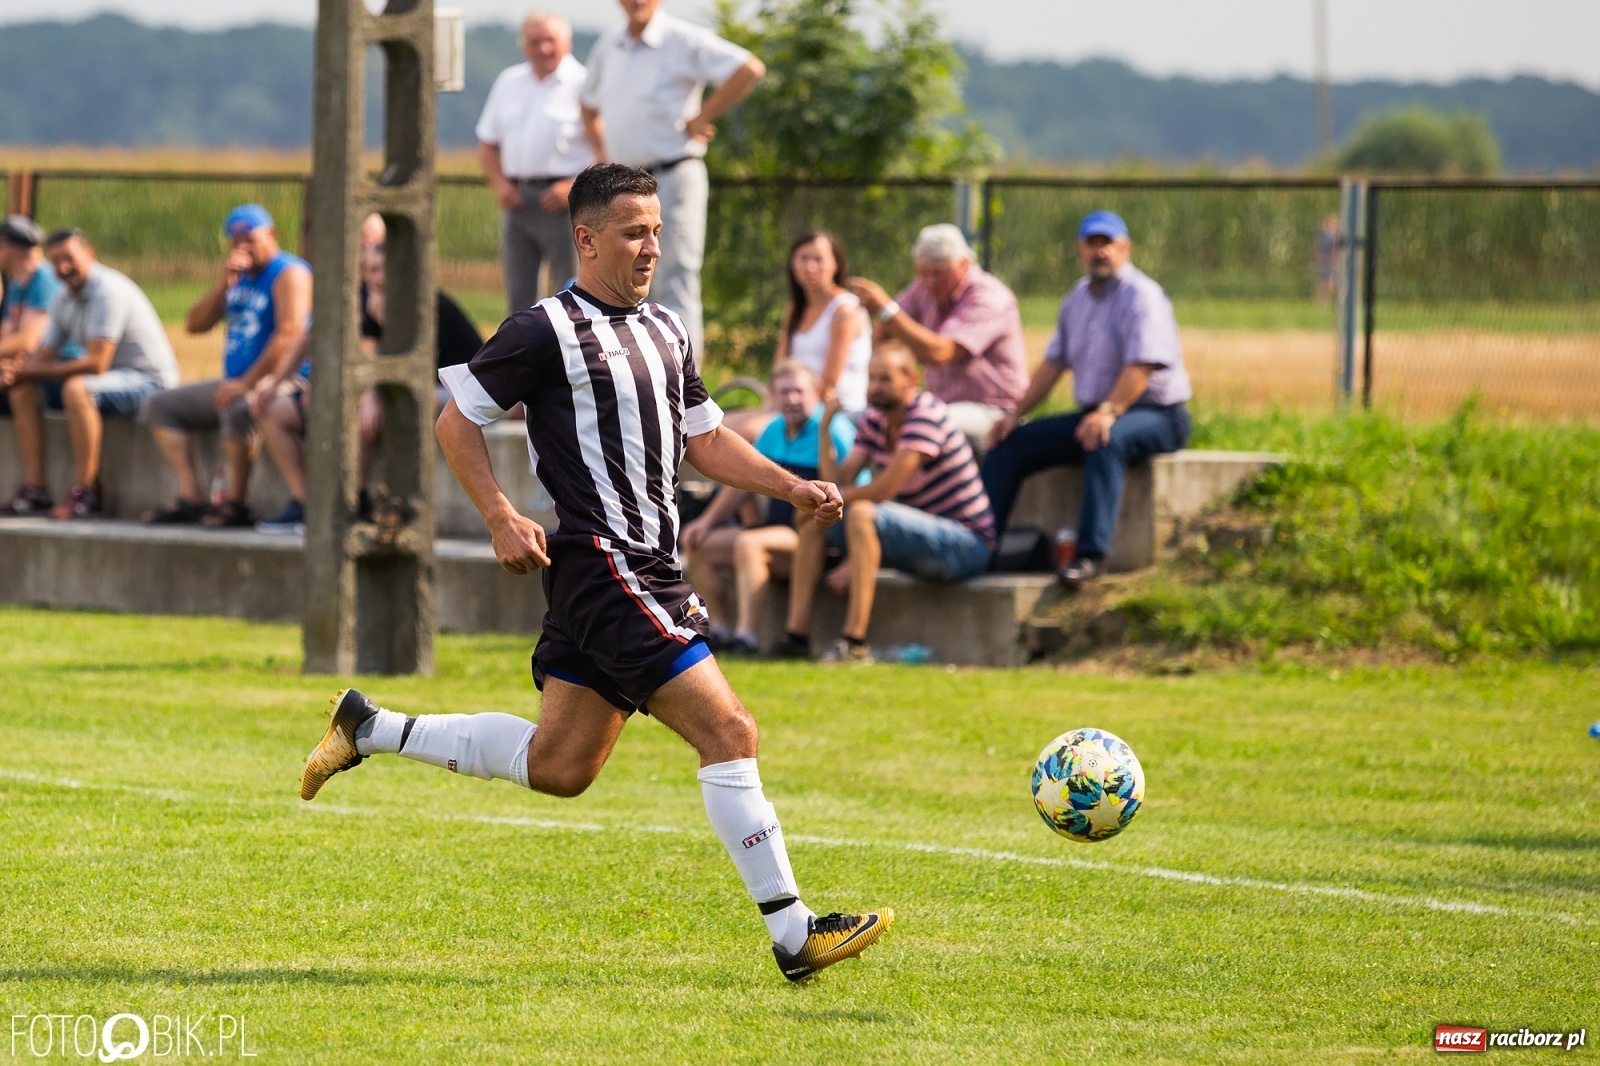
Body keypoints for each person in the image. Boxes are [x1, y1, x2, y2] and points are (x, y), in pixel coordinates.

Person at [298, 164, 893, 984]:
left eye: (656, 229)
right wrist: (503, 515)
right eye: (633, 232)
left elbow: (705, 439)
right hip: (605, 567)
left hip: (643, 565)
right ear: (585, 239)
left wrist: (790, 485)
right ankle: (795, 936)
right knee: (731, 732)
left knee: (561, 767)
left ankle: (370, 727)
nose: (652, 245)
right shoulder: (542, 330)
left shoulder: (667, 330)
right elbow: (455, 421)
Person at [981, 210, 1192, 585]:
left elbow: (1142, 366)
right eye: (1092, 244)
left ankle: (1091, 556)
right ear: (1080, 250)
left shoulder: (1142, 296)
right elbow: (1052, 365)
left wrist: (1109, 411)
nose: (1100, 252)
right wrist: (1015, 415)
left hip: (1158, 414)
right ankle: (980, 545)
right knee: (1009, 446)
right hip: (1098, 412)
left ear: (1125, 249)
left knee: (1103, 441)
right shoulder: (1076, 299)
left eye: (1107, 244)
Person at [782, 345, 996, 663]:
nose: (875, 387)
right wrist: (825, 428)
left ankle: (853, 642)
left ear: (910, 380)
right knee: (818, 518)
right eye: (872, 378)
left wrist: (829, 499)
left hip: (966, 544)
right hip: (917, 535)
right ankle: (795, 638)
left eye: (885, 379)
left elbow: (884, 489)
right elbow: (839, 479)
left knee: (862, 512)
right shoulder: (875, 420)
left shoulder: (926, 414)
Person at [254, 240, 482, 534]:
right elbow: (316, 337)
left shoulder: (426, 304)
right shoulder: (362, 296)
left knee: (361, 407)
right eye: (371, 270)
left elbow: (412, 368)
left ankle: (357, 501)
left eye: (384, 270)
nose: (377, 277)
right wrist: (275, 382)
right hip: (390, 388)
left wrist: (373, 392)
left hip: (453, 390)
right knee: (274, 411)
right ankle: (304, 505)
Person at [579, 0, 766, 357]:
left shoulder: (683, 38)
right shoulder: (609, 45)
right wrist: (601, 155)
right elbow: (588, 105)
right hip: (625, 187)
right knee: (621, 275)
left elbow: (748, 68)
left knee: (675, 275)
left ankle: (683, 382)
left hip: (673, 173)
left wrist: (703, 116)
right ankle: (638, 369)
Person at [138, 204, 311, 528]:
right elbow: (194, 325)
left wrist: (248, 383)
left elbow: (289, 333)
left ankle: (236, 504)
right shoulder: (238, 279)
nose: (242, 247)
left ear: (271, 235)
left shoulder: (289, 272)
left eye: (250, 239)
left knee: (237, 408)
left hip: (281, 381)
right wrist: (222, 286)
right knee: (159, 406)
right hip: (234, 381)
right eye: (235, 241)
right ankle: (191, 496)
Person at [680, 361, 856, 657]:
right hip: (777, 535)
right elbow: (743, 483)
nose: (792, 399)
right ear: (773, 396)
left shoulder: (835, 430)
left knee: (749, 543)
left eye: (799, 391)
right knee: (699, 545)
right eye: (784, 392)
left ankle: (746, 637)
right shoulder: (774, 429)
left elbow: (854, 492)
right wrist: (706, 522)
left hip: (815, 540)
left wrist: (851, 562)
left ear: (817, 393)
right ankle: (720, 631)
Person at [0, 229, 178, 519]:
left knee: (77, 388)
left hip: (148, 381)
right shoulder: (63, 297)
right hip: (109, 381)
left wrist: (36, 369)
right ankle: (35, 491)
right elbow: (43, 355)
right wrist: (16, 373)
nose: (63, 268)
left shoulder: (108, 291)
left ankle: (87, 493)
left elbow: (97, 364)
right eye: (56, 261)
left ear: (89, 254)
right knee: (23, 388)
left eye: (69, 258)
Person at [848, 223, 1026, 453]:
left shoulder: (989, 297)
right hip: (936, 405)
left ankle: (891, 489)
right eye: (923, 273)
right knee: (857, 420)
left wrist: (886, 310)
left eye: (939, 273)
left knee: (925, 426)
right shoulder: (923, 287)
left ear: (964, 264)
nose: (930, 281)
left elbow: (940, 353)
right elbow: (886, 334)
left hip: (993, 410)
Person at [477, 12, 594, 314]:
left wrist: (572, 187)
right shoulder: (509, 82)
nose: (543, 49)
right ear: (523, 46)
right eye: (535, 42)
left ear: (566, 43)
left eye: (550, 41)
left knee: (571, 291)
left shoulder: (585, 84)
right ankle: (526, 359)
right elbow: (489, 144)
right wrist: (500, 185)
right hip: (517, 200)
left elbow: (604, 149)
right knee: (519, 297)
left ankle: (570, 357)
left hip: (566, 202)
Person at [0, 215, 60, 428]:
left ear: (6, 248)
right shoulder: (18, 284)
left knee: (20, 391)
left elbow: (28, 341)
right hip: (28, 366)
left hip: (58, 369)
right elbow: (8, 340)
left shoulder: (46, 279)